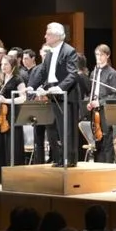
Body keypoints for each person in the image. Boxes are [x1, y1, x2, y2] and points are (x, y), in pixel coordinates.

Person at [29, 23, 80, 167]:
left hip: (67, 95)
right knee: (58, 129)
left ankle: (70, 160)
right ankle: (60, 158)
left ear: (57, 36)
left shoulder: (69, 51)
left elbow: (72, 74)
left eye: (48, 33)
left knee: (68, 129)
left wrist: (59, 87)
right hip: (54, 95)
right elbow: (43, 73)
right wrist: (31, 86)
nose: (45, 36)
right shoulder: (50, 53)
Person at [0, 55, 27, 182]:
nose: (3, 66)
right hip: (0, 115)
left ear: (12, 66)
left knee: (13, 145)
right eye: (2, 64)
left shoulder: (18, 79)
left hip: (13, 115)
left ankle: (14, 176)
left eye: (6, 64)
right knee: (0, 145)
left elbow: (23, 98)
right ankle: (2, 176)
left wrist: (6, 100)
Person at [87, 44, 116, 163]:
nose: (98, 57)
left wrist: (100, 102)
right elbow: (92, 91)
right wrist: (90, 102)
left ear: (107, 56)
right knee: (97, 139)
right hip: (95, 110)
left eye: (101, 55)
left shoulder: (112, 73)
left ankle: (108, 165)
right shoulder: (94, 72)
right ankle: (98, 165)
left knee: (106, 139)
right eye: (97, 55)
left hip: (106, 110)